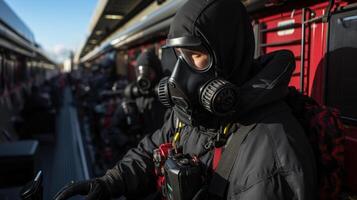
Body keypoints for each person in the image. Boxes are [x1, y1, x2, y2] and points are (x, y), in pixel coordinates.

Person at [54, 0, 317, 199]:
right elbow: (150, 151)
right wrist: (108, 183)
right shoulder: (192, 115)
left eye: (196, 55)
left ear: (229, 56)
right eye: (179, 55)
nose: (181, 74)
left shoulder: (271, 153)